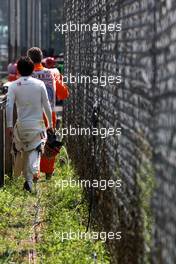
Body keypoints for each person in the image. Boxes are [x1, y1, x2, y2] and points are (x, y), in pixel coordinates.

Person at [6, 56, 53, 192]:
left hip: (21, 126)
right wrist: (49, 123)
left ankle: (28, 181)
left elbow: (9, 106)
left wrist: (9, 125)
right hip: (37, 125)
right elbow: (46, 105)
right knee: (35, 149)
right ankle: (32, 173)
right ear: (33, 69)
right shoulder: (39, 85)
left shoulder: (14, 85)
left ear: (18, 70)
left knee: (24, 151)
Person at [27, 47, 69, 180]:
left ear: (29, 59)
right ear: (41, 58)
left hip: (31, 115)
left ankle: (34, 174)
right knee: (50, 141)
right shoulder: (52, 74)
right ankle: (49, 173)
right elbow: (64, 94)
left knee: (33, 144)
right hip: (49, 115)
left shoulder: (26, 75)